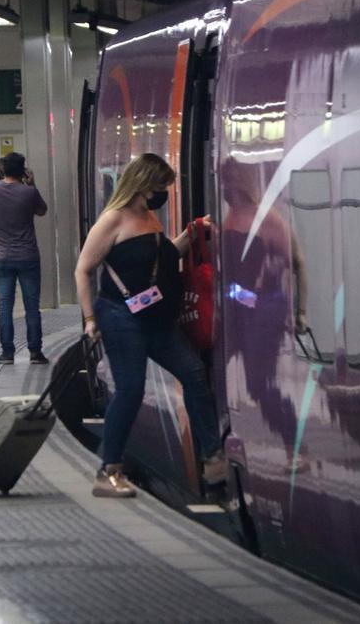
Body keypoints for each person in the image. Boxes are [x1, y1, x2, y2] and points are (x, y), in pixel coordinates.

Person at [74, 153, 226, 498]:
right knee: (130, 389)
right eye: (161, 186)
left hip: (156, 318)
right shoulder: (113, 219)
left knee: (192, 372)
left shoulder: (149, 217)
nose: (164, 192)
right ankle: (108, 470)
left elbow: (161, 258)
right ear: (144, 183)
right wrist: (89, 319)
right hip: (120, 316)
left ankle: (212, 456)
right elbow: (83, 269)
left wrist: (191, 235)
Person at [0, 152, 49, 365]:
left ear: (2, 169)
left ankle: (7, 352)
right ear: (23, 170)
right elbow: (42, 210)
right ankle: (35, 352)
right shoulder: (29, 193)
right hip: (28, 256)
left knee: (5, 306)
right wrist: (32, 185)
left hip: (3, 258)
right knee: (32, 306)